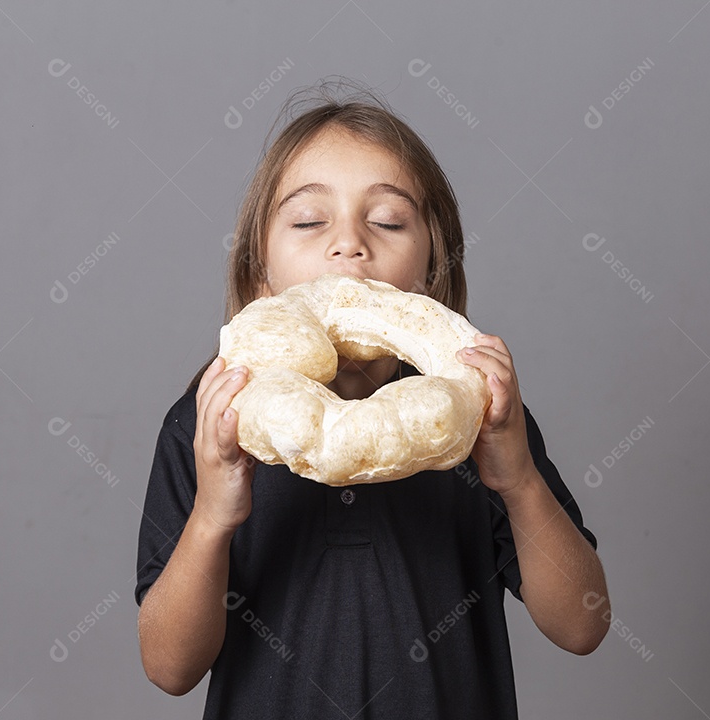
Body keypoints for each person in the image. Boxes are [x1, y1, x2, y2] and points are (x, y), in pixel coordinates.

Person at [135, 78, 610, 719]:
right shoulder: (210, 421)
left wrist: (519, 479)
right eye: (309, 220)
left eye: (387, 220)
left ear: (432, 274)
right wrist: (214, 514)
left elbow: (583, 626)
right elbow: (169, 668)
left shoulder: (484, 422)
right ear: (258, 274)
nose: (349, 243)